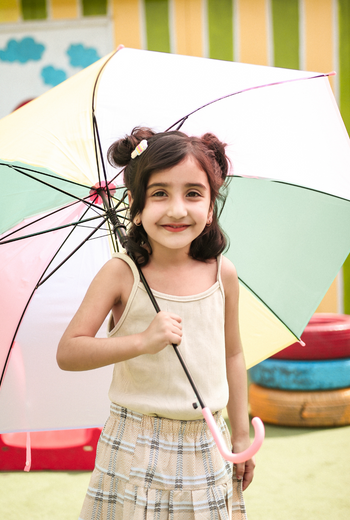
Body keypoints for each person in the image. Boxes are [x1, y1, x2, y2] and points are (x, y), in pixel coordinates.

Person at [57, 127, 254, 519]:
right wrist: (142, 341)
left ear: (211, 206)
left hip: (207, 440)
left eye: (193, 193)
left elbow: (233, 353)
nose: (177, 209)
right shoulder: (121, 274)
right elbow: (69, 351)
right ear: (136, 204)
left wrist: (241, 433)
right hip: (135, 440)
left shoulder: (222, 273)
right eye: (160, 193)